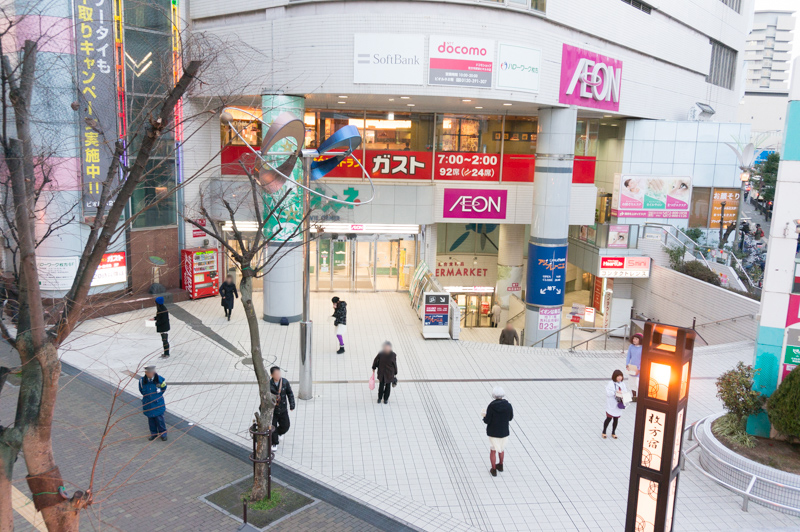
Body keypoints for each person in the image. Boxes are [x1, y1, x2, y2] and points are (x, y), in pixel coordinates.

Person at [482, 387, 513, 477]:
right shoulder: (508, 405)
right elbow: (510, 418)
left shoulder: (491, 406)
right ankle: (501, 465)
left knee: (493, 450)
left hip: (493, 432)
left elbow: (487, 420)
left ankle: (493, 469)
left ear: (494, 395)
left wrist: (484, 416)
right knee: (501, 449)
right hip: (504, 431)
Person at [269, 366, 295, 451]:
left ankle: (279, 433)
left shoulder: (284, 382)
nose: (278, 375)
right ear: (272, 375)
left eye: (279, 373)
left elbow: (290, 393)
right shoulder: (269, 384)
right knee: (273, 426)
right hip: (273, 410)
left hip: (283, 408)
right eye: (276, 374)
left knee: (286, 425)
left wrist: (292, 404)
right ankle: (274, 443)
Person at [139, 365, 168, 441]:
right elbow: (141, 390)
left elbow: (163, 388)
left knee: (160, 420)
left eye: (151, 372)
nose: (150, 374)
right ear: (146, 373)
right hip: (148, 404)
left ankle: (163, 434)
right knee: (151, 420)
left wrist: (157, 396)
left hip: (158, 404)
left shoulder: (160, 379)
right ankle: (153, 434)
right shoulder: (142, 381)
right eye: (148, 373)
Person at [602, 369, 628, 440]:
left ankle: (613, 432)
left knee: (616, 419)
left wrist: (622, 393)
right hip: (612, 404)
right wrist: (615, 392)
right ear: (615, 376)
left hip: (618, 404)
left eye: (621, 376)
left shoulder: (622, 384)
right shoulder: (611, 383)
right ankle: (604, 431)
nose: (620, 378)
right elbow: (608, 393)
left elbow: (625, 392)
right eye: (618, 376)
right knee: (609, 418)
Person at [625, 333, 643, 401]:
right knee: (632, 382)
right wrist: (627, 365)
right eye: (633, 339)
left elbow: (643, 359)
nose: (634, 340)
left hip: (639, 368)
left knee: (637, 383)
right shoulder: (631, 346)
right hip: (632, 367)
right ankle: (634, 396)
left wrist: (639, 369)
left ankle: (640, 397)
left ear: (640, 340)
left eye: (636, 339)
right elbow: (628, 356)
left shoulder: (643, 348)